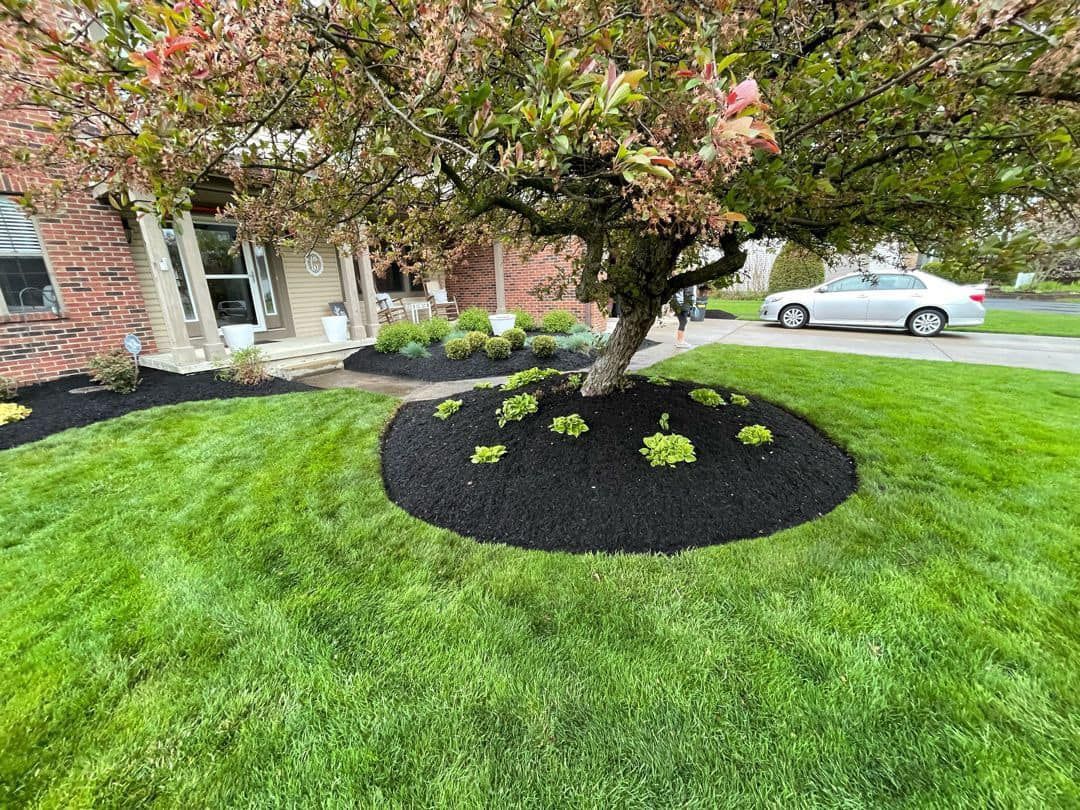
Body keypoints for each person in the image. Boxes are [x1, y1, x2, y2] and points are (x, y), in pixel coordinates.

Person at [671, 283, 697, 348]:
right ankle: (680, 342)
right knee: (683, 322)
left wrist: (692, 304)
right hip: (681, 306)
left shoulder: (691, 283)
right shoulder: (685, 282)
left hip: (685, 305)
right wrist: (679, 306)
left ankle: (680, 341)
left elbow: (691, 294)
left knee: (683, 322)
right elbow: (679, 294)